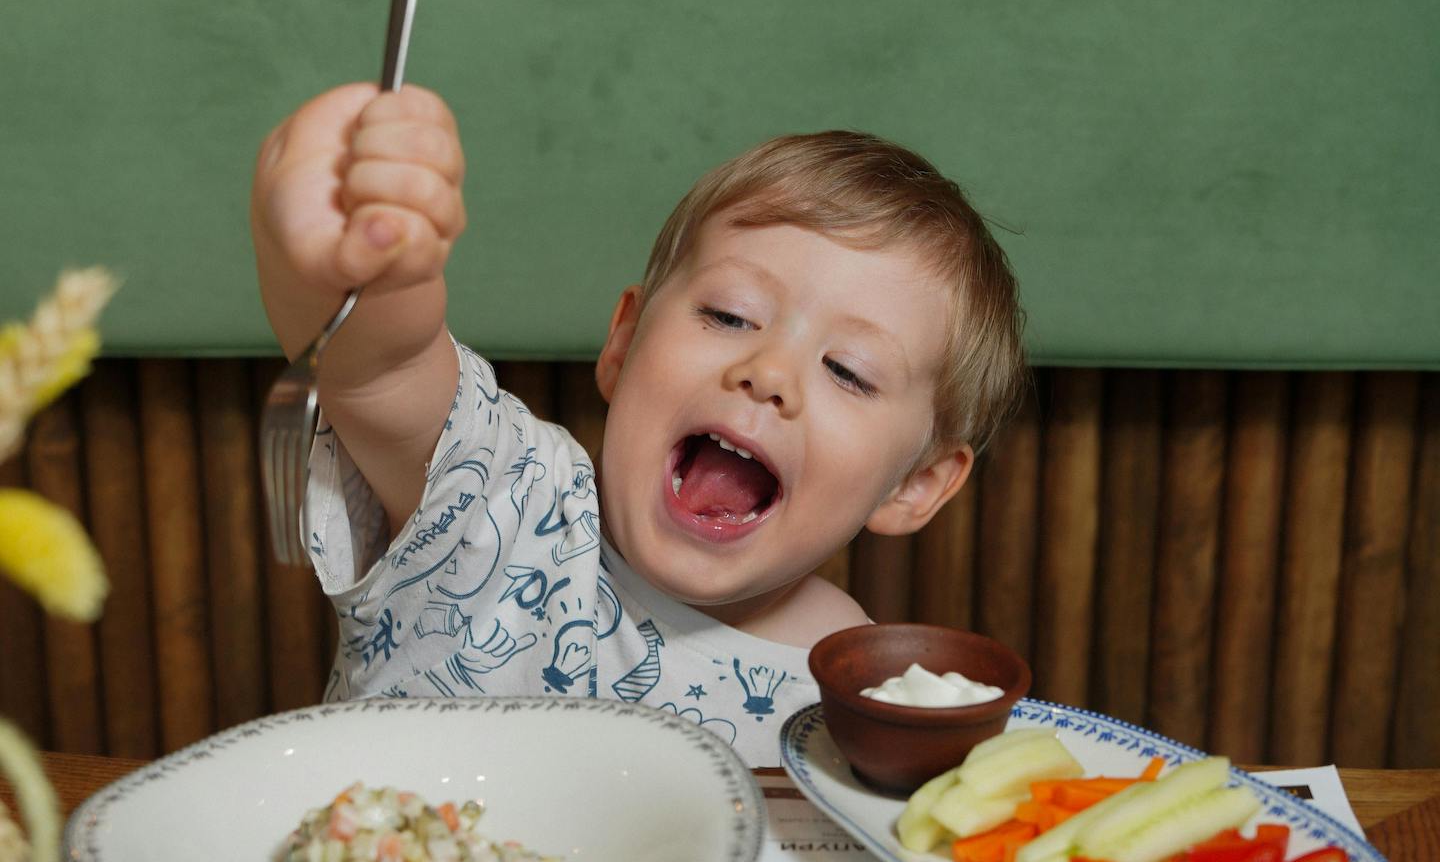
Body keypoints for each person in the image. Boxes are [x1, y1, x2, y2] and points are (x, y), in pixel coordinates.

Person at [251, 83, 1027, 766]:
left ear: (916, 484)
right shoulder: (504, 501)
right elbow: (383, 366)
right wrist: (355, 256)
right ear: (623, 342)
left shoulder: (862, 698)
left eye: (848, 370)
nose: (769, 374)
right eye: (729, 314)